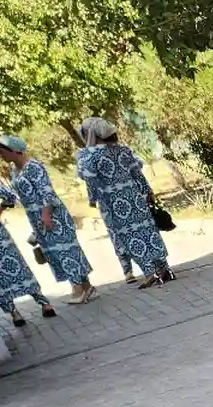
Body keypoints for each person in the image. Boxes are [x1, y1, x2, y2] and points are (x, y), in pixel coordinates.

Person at [0, 134, 97, 305]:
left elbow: (47, 192)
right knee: (55, 252)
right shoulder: (14, 170)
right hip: (36, 217)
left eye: (2, 152)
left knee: (65, 250)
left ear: (15, 150)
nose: (0, 156)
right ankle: (86, 286)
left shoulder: (33, 167)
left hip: (52, 215)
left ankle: (78, 287)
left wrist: (46, 215)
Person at [75, 116, 174, 289]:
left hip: (114, 203)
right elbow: (137, 173)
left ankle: (150, 273)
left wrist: (92, 199)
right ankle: (164, 269)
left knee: (130, 236)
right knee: (148, 232)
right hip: (135, 197)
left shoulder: (91, 155)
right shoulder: (122, 149)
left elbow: (89, 178)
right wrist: (147, 191)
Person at [0, 177, 56, 326]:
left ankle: (15, 314)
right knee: (17, 268)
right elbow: (9, 194)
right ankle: (44, 304)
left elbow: (9, 194)